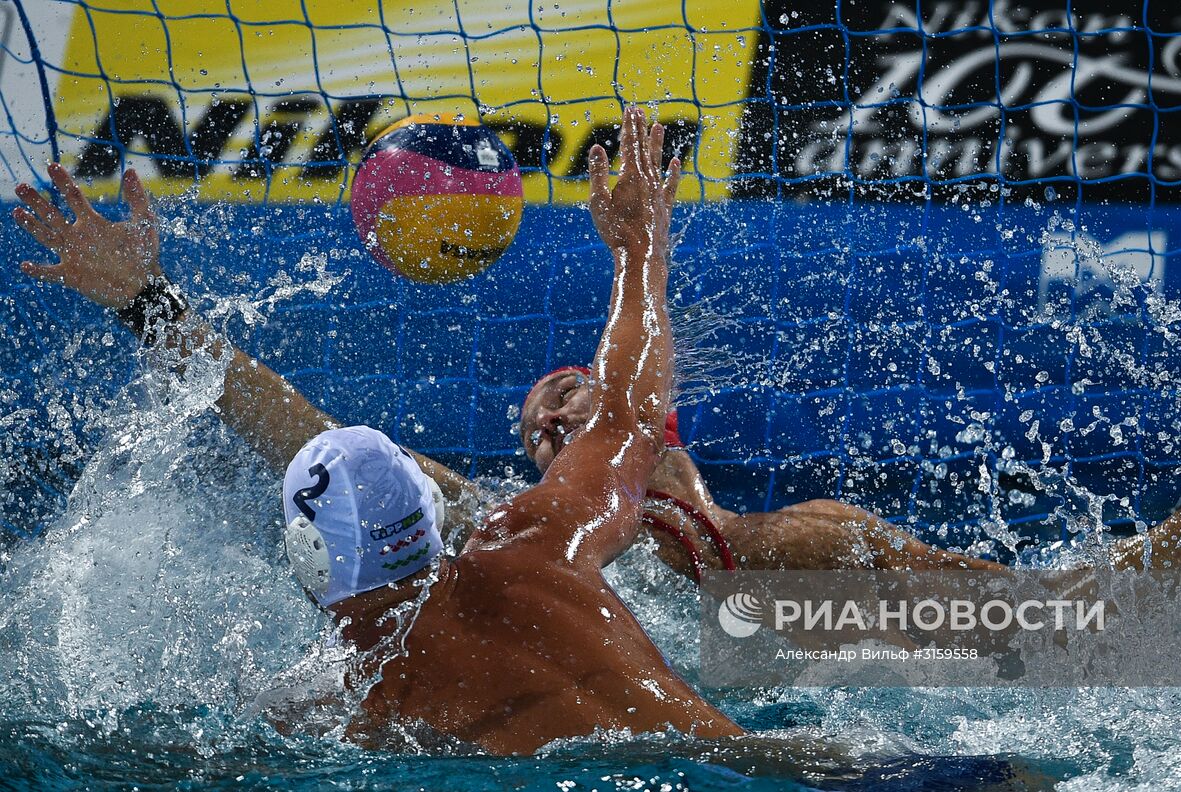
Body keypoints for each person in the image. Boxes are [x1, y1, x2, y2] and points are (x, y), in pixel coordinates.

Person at [13, 108, 744, 754]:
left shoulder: (345, 709)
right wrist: (639, 248)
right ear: (433, 510)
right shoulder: (533, 539)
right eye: (544, 423)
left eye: (562, 397)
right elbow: (628, 413)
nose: (557, 424)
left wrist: (148, 303)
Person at [519, 366, 1181, 577]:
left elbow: (1051, 619)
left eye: (569, 402)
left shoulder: (801, 540)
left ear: (651, 430)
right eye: (537, 436)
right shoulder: (525, 557)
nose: (552, 423)